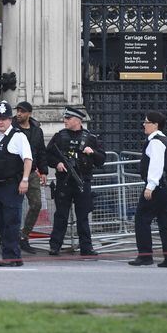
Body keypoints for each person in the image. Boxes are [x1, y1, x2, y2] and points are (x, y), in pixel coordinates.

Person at [46, 106, 105, 258]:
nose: (65, 121)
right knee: (61, 216)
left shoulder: (90, 138)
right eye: (65, 118)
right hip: (64, 183)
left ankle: (86, 247)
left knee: (83, 216)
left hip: (82, 182)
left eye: (68, 118)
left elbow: (101, 160)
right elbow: (48, 155)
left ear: (78, 120)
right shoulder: (59, 136)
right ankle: (55, 246)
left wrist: (92, 153)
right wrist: (57, 164)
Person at [129, 111, 167, 267]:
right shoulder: (165, 140)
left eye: (146, 122)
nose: (144, 125)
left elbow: (156, 166)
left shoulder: (156, 142)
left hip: (158, 185)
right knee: (166, 221)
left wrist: (150, 186)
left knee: (142, 219)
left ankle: (145, 256)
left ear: (155, 124)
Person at [0, 100, 33, 267]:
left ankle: (12, 256)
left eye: (4, 119)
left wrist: (25, 180)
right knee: (1, 221)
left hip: (13, 185)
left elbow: (27, 160)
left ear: (10, 120)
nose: (0, 122)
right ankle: (11, 255)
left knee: (11, 221)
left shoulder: (18, 136)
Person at [14, 101, 47, 254]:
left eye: (22, 111)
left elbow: (41, 152)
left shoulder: (36, 131)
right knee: (13, 206)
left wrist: (44, 171)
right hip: (14, 172)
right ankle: (10, 237)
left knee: (36, 204)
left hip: (32, 172)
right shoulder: (11, 129)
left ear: (29, 113)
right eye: (18, 110)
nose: (19, 113)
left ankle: (24, 236)